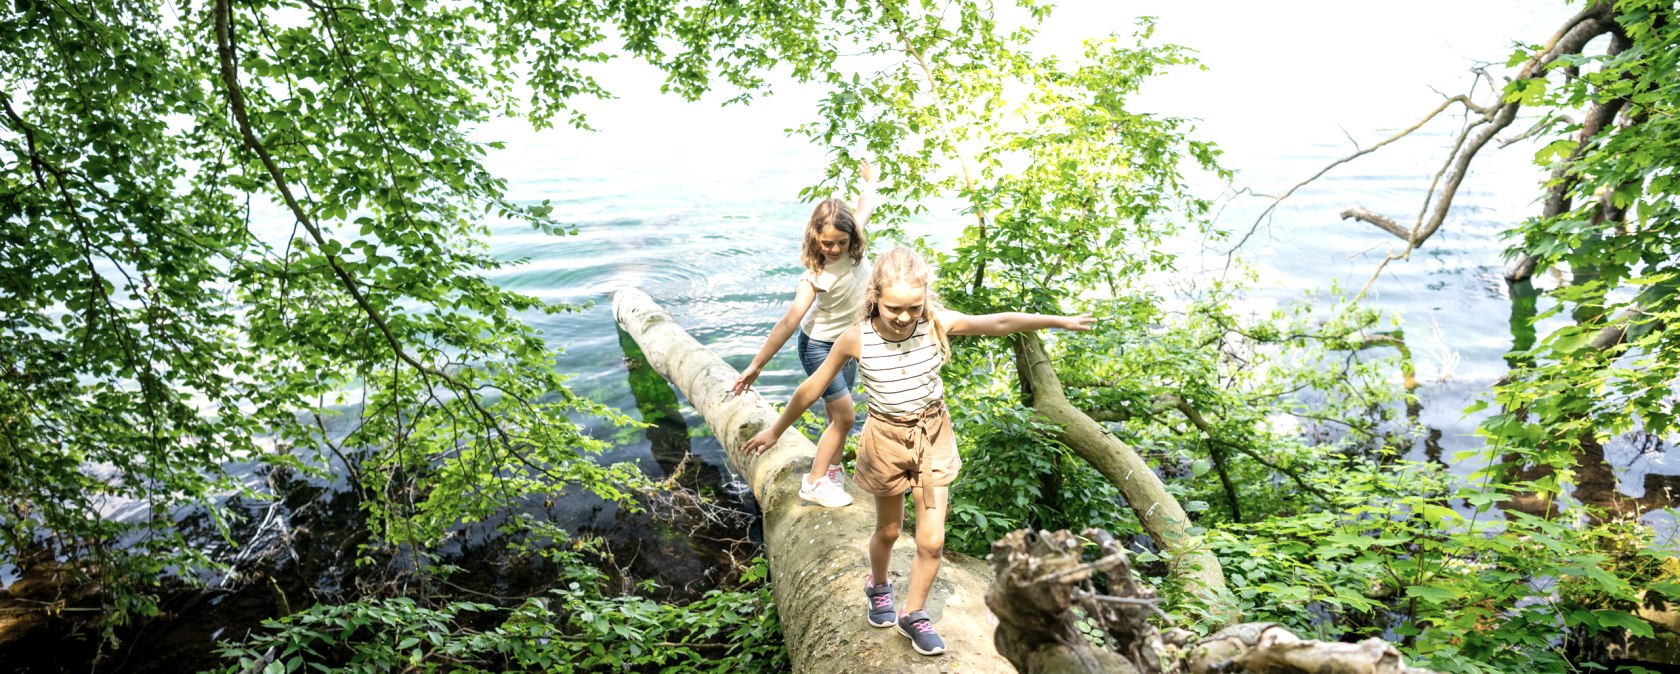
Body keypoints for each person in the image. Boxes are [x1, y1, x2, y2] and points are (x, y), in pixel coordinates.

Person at [742, 246, 1095, 656]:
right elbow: (811, 388)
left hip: (933, 436)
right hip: (886, 441)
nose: (904, 316)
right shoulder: (856, 337)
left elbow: (998, 322)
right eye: (894, 308)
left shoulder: (935, 324)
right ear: (875, 296)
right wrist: (775, 430)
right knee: (889, 531)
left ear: (925, 297)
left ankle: (913, 613)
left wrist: (1058, 320)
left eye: (913, 306)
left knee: (931, 541)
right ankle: (878, 585)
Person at [729, 161, 877, 508]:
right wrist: (756, 365)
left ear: (853, 236)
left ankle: (832, 469)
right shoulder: (815, 276)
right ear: (815, 238)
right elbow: (789, 321)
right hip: (819, 347)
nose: (835, 249)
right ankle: (813, 482)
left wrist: (872, 180)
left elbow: (866, 204)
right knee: (846, 416)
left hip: (849, 344)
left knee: (835, 416)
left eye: (841, 242)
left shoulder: (853, 242)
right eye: (827, 243)